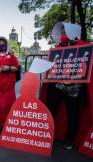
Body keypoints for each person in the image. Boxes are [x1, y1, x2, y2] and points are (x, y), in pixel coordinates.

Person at [40, 22, 92, 150]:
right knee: (50, 110)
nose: (62, 34)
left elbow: (87, 66)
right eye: (62, 32)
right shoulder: (58, 47)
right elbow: (52, 66)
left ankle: (70, 139)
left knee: (72, 113)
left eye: (65, 32)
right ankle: (46, 135)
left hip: (74, 88)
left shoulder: (84, 46)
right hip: (57, 86)